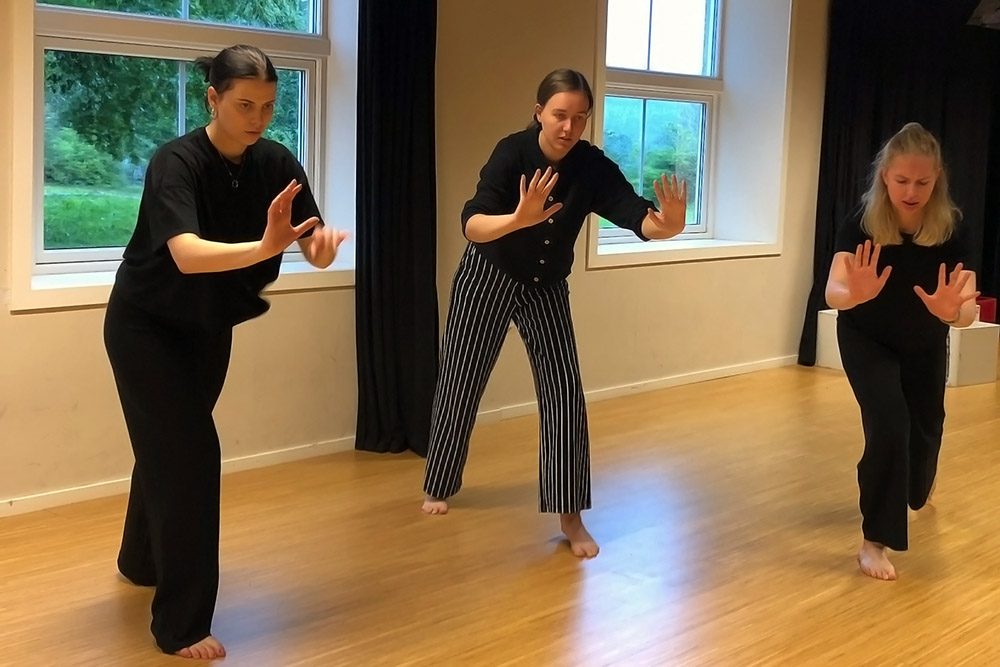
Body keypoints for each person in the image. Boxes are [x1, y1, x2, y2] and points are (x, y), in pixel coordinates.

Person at [103, 44, 346, 658]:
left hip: (208, 326)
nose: (257, 118)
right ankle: (180, 625)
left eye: (267, 106)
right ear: (213, 98)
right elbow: (186, 254)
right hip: (145, 327)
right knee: (190, 455)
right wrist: (264, 248)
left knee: (167, 449)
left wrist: (320, 248)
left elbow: (309, 238)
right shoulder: (176, 161)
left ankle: (140, 560)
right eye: (244, 105)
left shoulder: (276, 160)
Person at [421, 68, 688, 558]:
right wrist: (518, 218)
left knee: (564, 394)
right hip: (488, 274)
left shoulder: (591, 166)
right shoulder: (512, 153)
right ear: (539, 112)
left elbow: (635, 215)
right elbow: (472, 224)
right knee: (462, 377)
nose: (569, 127)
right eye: (560, 115)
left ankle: (571, 515)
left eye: (579, 118)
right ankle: (439, 481)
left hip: (545, 286)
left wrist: (667, 226)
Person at [824, 122, 979, 581]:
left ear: (937, 180)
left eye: (922, 182)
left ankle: (914, 484)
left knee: (926, 431)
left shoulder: (952, 229)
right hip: (866, 338)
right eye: (902, 180)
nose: (911, 192)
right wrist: (853, 294)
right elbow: (834, 289)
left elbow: (967, 306)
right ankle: (874, 541)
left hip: (924, 341)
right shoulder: (861, 223)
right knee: (890, 425)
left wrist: (954, 313)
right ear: (884, 177)